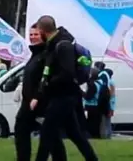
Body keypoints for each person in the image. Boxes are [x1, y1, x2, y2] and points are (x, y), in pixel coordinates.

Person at [30, 15, 99, 161]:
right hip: (63, 96)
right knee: (75, 135)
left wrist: (49, 83)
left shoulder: (62, 45)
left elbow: (67, 73)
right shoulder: (55, 44)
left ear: (43, 30)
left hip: (63, 97)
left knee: (46, 134)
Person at [14, 25, 48, 161]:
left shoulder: (44, 55)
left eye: (36, 34)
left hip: (37, 101)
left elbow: (44, 79)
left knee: (50, 136)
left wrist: (37, 97)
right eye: (31, 34)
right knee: (21, 129)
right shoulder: (34, 55)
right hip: (27, 101)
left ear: (43, 35)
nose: (33, 37)